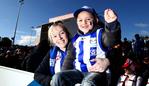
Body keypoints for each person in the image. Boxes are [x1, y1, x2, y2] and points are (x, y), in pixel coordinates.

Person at [51, 6, 122, 86]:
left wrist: (111, 24)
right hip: (79, 72)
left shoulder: (100, 33)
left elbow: (111, 40)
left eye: (88, 19)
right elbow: (69, 59)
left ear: (95, 20)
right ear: (77, 23)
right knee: (58, 77)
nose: (84, 23)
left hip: (96, 73)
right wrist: (64, 73)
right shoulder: (75, 39)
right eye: (80, 20)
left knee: (88, 83)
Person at [28, 21, 72, 86]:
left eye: (62, 33)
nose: (59, 38)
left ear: (67, 33)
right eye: (55, 36)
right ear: (52, 40)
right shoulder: (51, 53)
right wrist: (51, 82)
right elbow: (38, 74)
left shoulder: (78, 49)